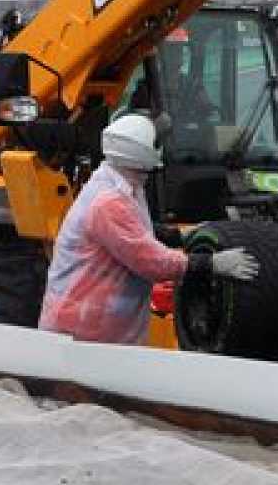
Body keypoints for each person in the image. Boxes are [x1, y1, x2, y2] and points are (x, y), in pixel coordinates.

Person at [39, 113, 259, 345]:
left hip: (98, 331)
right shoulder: (109, 202)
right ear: (141, 153)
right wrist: (211, 263)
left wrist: (178, 235)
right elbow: (152, 263)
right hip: (82, 333)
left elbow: (134, 231)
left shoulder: (118, 182)